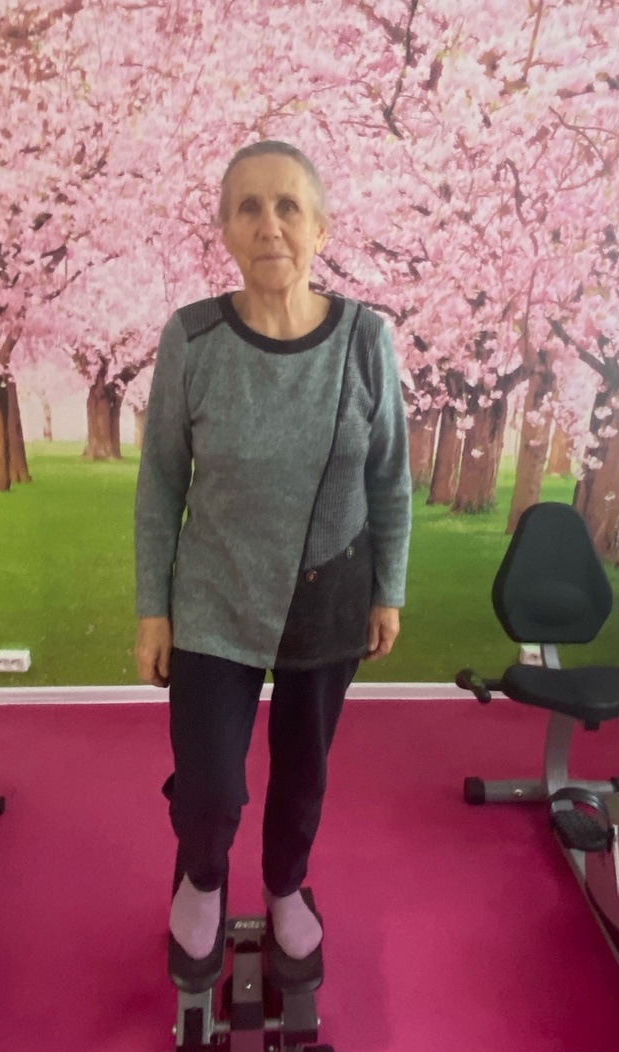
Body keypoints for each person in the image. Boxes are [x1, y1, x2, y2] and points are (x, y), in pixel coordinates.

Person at [134, 140, 411, 972]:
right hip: (215, 599)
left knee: (302, 774)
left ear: (320, 228)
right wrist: (153, 609)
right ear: (225, 229)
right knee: (210, 787)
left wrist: (389, 589)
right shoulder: (192, 338)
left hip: (328, 595)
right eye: (249, 207)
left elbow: (390, 478)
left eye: (289, 205)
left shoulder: (365, 339)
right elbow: (160, 483)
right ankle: (204, 876)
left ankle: (286, 884)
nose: (270, 225)